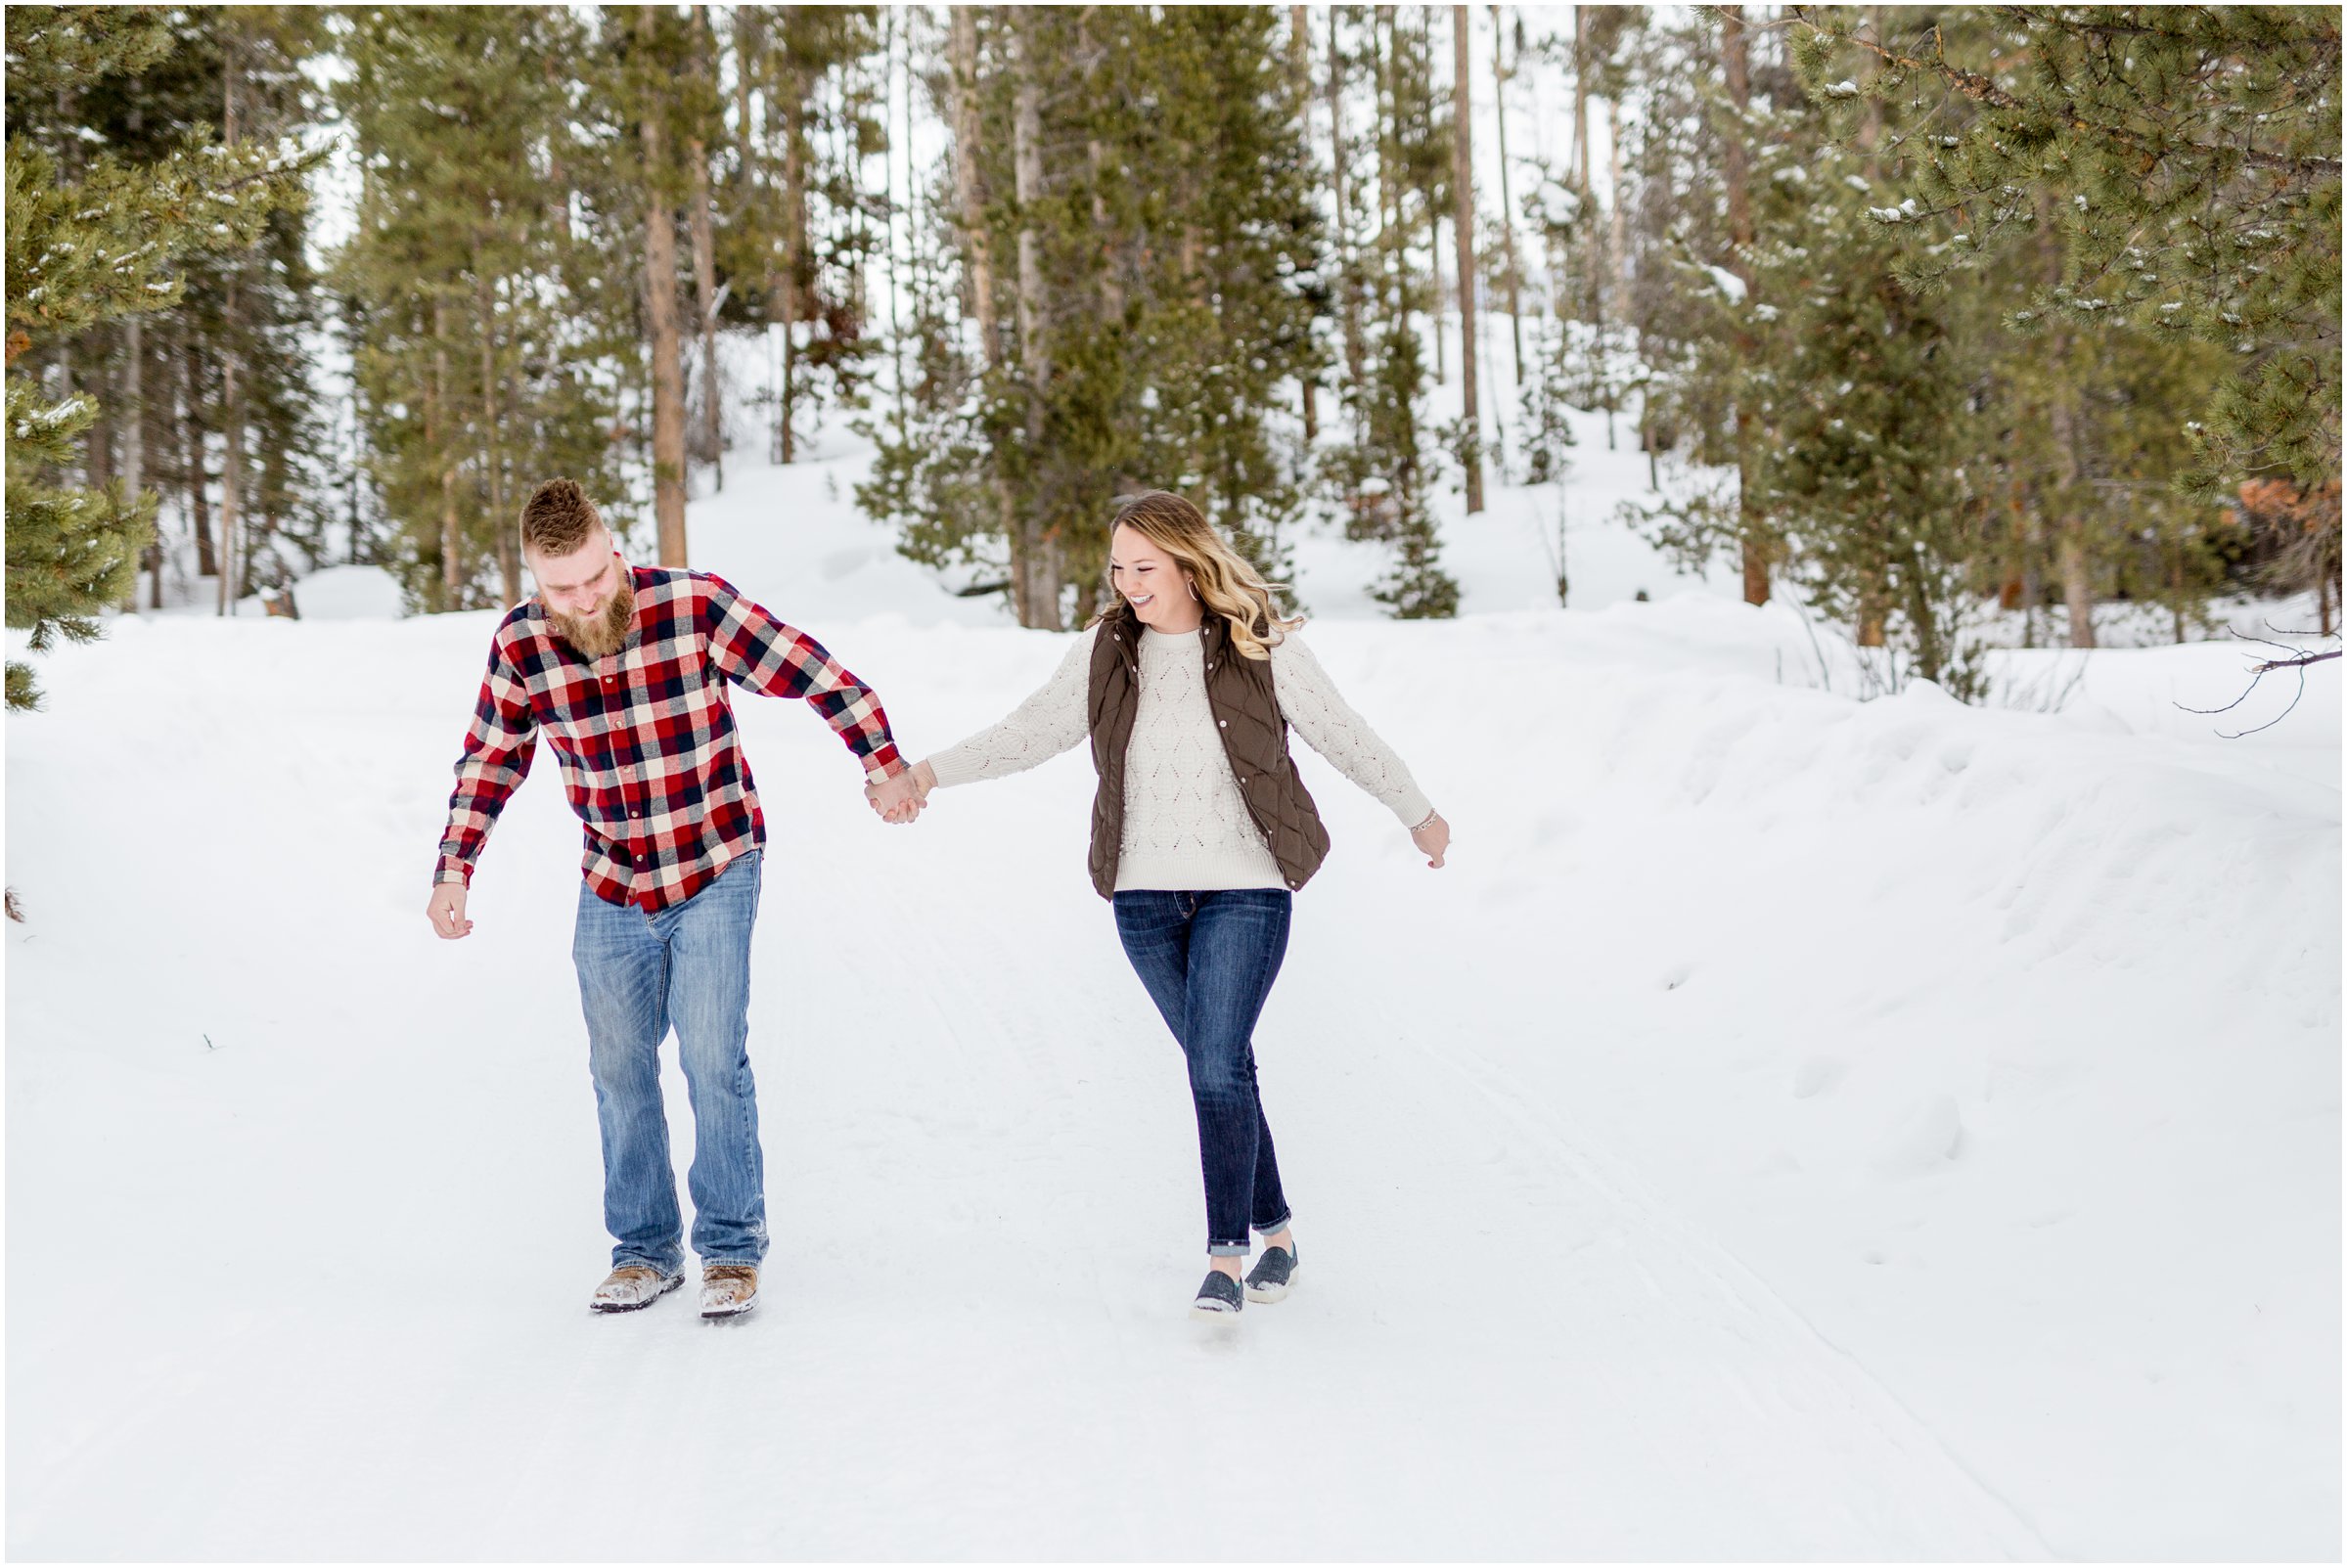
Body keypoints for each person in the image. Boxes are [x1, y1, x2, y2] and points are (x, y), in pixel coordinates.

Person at [869, 490, 1449, 1319]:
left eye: (1144, 567)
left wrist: (1418, 813)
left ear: (1186, 560)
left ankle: (1225, 1256)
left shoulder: (1259, 644)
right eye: (1117, 567)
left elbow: (1345, 734)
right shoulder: (1108, 648)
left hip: (1245, 886)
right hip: (1141, 896)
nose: (1128, 582)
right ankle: (1278, 1232)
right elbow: (1032, 729)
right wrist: (925, 773)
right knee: (1225, 1067)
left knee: (1213, 1063)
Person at [427, 478, 910, 1321]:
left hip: (716, 861)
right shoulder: (521, 644)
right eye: (559, 587)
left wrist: (883, 761)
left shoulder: (693, 606)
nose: (581, 601)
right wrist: (454, 866)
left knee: (712, 1056)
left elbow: (821, 675)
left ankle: (729, 1247)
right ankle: (644, 1250)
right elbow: (491, 757)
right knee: (617, 1068)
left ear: (615, 549)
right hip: (612, 877)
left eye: (593, 579)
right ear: (534, 576)